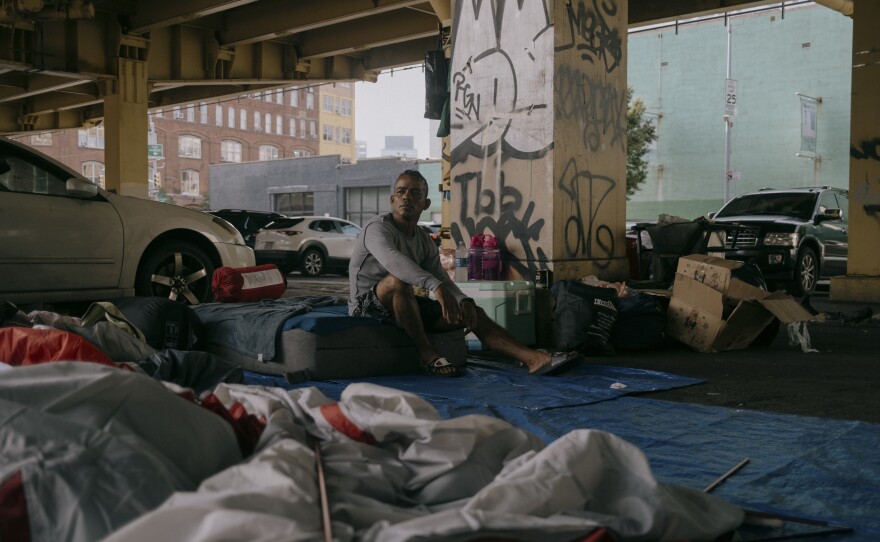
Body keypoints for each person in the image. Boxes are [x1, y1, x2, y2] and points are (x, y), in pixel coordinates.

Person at [348, 170, 581, 377]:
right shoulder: (377, 228)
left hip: (405, 304)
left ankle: (533, 359)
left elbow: (440, 276)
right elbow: (393, 261)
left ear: (426, 203)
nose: (406, 197)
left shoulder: (423, 240)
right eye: (401, 192)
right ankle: (428, 354)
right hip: (366, 308)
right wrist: (435, 287)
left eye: (414, 193)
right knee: (396, 281)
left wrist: (464, 300)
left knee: (473, 312)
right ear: (392, 200)